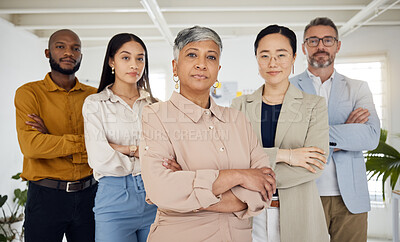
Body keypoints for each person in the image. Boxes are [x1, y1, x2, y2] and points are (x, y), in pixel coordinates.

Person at [139, 26, 276, 242]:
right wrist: (240, 176)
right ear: (175, 67)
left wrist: (188, 192)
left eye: (210, 57)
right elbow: (162, 191)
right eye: (192, 54)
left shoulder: (238, 120)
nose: (202, 64)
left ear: (218, 69)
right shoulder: (156, 116)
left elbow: (264, 190)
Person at [231, 25, 330, 242]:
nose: (272, 63)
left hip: (300, 214)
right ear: (256, 59)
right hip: (249, 215)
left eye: (281, 55)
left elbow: (315, 165)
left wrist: (250, 176)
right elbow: (233, 159)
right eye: (264, 55)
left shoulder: (314, 106)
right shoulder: (239, 106)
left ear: (294, 57)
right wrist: (288, 156)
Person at [290, 17, 381, 242]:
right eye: (313, 41)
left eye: (327, 40)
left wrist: (313, 135)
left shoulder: (358, 88)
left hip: (351, 200)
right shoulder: (288, 88)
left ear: (337, 45)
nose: (321, 46)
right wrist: (347, 133)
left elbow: (370, 137)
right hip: (304, 195)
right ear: (303, 47)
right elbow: (287, 140)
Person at [14, 29, 97, 242]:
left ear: (81, 55)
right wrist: (85, 143)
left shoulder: (95, 96)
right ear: (47, 52)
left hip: (91, 195)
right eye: (60, 46)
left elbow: (107, 145)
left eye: (75, 48)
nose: (68, 53)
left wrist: (50, 137)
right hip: (46, 197)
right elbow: (32, 146)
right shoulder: (29, 93)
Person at [82, 33, 158, 242]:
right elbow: (100, 158)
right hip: (114, 198)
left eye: (140, 58)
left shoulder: (156, 105)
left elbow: (163, 154)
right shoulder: (95, 104)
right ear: (111, 61)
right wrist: (139, 151)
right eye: (126, 57)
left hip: (155, 195)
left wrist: (121, 147)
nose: (134, 64)